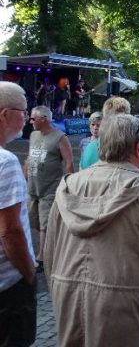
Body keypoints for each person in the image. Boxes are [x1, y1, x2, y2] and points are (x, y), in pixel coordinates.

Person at [44, 113, 139, 345]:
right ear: (138, 148)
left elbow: (50, 252)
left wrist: (59, 292)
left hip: (70, 297)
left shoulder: (69, 186)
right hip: (129, 307)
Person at [0, 82, 37, 346]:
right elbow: (10, 231)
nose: (26, 117)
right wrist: (29, 273)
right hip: (8, 287)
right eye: (23, 111)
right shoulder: (6, 163)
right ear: (4, 114)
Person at [25, 106, 74, 267]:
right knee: (36, 221)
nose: (30, 121)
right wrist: (23, 176)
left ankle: (42, 256)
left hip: (50, 188)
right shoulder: (33, 135)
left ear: (44, 119)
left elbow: (68, 162)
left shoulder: (60, 137)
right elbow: (29, 157)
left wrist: (69, 184)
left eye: (33, 118)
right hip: (33, 188)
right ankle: (48, 247)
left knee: (45, 223)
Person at [79, 97, 131, 170]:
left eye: (98, 125)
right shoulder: (133, 145)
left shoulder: (91, 147)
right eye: (93, 124)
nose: (95, 128)